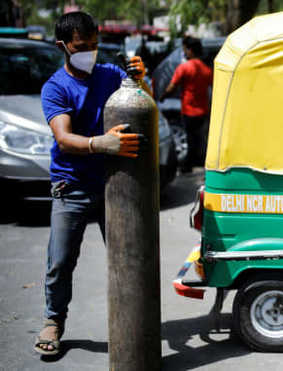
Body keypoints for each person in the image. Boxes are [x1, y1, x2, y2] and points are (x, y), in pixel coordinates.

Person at [34, 11, 148, 356]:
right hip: (73, 187)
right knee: (60, 261)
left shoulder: (110, 75)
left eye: (95, 45)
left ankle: (137, 322)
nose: (90, 52)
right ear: (63, 47)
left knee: (130, 257)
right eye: (82, 47)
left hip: (116, 186)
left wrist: (140, 80)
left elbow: (140, 103)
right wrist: (100, 143)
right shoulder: (56, 87)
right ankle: (53, 321)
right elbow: (65, 138)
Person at [159, 36, 213, 173]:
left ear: (189, 50)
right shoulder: (207, 70)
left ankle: (187, 166)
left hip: (189, 111)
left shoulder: (184, 68)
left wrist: (162, 97)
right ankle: (200, 163)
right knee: (199, 139)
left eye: (184, 49)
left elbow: (172, 87)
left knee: (190, 138)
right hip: (203, 111)